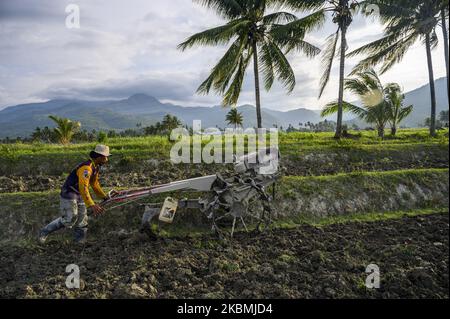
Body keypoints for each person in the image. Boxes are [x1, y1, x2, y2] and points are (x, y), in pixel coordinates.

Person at [38, 144, 116, 243]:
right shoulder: (86, 169)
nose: (107, 160)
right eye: (106, 157)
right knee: (70, 219)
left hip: (79, 194)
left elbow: (94, 184)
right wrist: (91, 204)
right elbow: (83, 187)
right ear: (99, 157)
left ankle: (79, 242)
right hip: (69, 193)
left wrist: (104, 196)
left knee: (82, 220)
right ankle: (44, 232)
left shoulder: (95, 167)